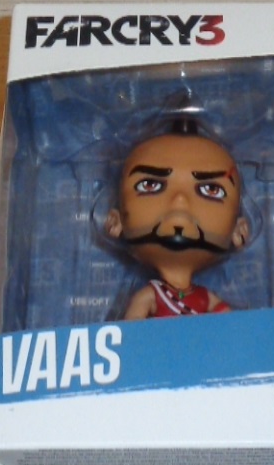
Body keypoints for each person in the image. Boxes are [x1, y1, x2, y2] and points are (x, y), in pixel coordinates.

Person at [105, 118, 249, 319]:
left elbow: (231, 325)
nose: (179, 202)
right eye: (150, 185)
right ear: (115, 221)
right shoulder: (151, 297)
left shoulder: (205, 298)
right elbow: (132, 334)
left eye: (211, 189)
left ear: (239, 230)